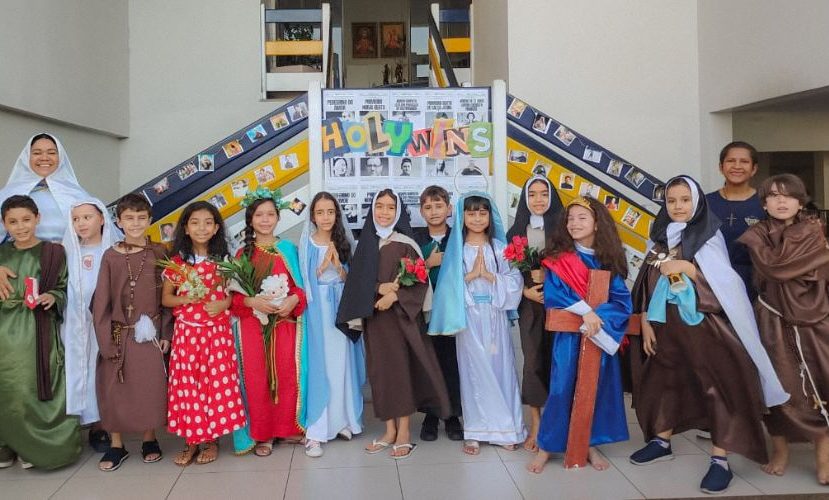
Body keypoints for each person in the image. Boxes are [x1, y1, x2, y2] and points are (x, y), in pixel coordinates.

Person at [629, 176, 788, 494]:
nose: (678, 206)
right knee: (665, 381)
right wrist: (645, 320)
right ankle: (661, 440)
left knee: (718, 387)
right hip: (665, 325)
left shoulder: (708, 235)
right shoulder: (660, 237)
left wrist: (689, 269)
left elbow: (725, 284)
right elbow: (646, 282)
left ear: (697, 202)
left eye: (684, 200)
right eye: (671, 201)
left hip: (704, 325)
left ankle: (720, 459)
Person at [337, 188, 450, 459]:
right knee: (381, 374)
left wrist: (395, 295)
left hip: (403, 321)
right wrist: (380, 288)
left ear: (398, 212)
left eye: (390, 207)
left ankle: (404, 433)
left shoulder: (406, 244)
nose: (384, 212)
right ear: (372, 210)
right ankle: (389, 431)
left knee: (401, 373)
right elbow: (357, 284)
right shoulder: (365, 245)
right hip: (375, 321)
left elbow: (419, 280)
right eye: (380, 206)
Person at [527, 197, 631, 473]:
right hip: (569, 337)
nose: (574, 223)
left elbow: (621, 301)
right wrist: (586, 311)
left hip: (598, 336)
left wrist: (597, 316)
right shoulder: (559, 259)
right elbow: (555, 293)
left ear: (597, 223)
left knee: (594, 390)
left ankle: (589, 444)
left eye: (582, 218)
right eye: (570, 219)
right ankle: (547, 446)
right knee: (562, 387)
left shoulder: (608, 259)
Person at [738, 174, 829, 484]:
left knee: (821, 383)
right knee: (776, 385)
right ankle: (780, 450)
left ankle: (823, 456)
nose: (781, 201)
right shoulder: (757, 234)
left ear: (800, 202)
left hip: (816, 318)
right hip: (772, 319)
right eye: (774, 195)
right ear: (764, 203)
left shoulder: (815, 230)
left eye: (788, 195)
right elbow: (775, 269)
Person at [429, 192, 526, 455]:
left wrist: (492, 277)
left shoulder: (499, 248)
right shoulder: (457, 251)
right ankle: (475, 431)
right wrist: (471, 276)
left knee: (501, 368)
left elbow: (515, 281)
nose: (477, 218)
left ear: (490, 217)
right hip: (469, 317)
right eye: (471, 213)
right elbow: (448, 288)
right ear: (462, 217)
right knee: (473, 370)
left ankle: (506, 428)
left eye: (482, 213)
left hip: (495, 315)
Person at [0, 195, 81, 470]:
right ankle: (7, 444)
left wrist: (52, 296)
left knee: (32, 387)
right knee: (7, 390)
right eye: (13, 222)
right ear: (4, 224)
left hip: (37, 330)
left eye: (26, 219)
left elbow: (63, 286)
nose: (20, 227)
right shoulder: (1, 253)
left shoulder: (53, 252)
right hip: (3, 331)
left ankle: (36, 447)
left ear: (38, 218)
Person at [162, 201, 245, 466]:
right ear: (185, 228)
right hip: (187, 334)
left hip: (217, 335)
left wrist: (223, 304)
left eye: (208, 222)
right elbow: (166, 299)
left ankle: (211, 440)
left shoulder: (224, 262)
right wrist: (186, 299)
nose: (202, 228)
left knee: (214, 385)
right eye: (195, 222)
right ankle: (191, 440)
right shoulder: (178, 263)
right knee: (189, 386)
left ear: (216, 228)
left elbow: (234, 296)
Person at [92, 193, 172, 471]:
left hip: (149, 334)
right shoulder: (110, 256)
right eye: (129, 218)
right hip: (119, 333)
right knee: (114, 388)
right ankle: (117, 445)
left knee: (149, 387)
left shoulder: (160, 252)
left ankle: (150, 439)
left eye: (141, 218)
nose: (135, 223)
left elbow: (168, 297)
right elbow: (101, 302)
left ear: (150, 220)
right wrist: (105, 340)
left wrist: (165, 333)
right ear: (118, 222)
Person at [230, 189, 307, 457]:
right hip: (253, 327)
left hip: (284, 324)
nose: (265, 220)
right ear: (250, 220)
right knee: (257, 379)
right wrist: (252, 301)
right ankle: (263, 434)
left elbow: (301, 288)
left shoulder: (289, 250)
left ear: (278, 217)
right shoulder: (242, 254)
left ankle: (286, 428)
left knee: (286, 375)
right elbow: (234, 299)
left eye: (270, 214)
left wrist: (293, 300)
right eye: (259, 215)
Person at [0, 134, 111, 303]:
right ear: (27, 157)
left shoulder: (77, 195)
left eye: (51, 152)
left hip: (67, 272)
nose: (44, 158)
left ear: (61, 157)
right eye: (37, 153)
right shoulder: (7, 194)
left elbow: (101, 233)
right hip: (19, 270)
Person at [299, 192, 365, 458]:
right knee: (321, 365)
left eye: (330, 212)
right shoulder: (307, 245)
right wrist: (321, 267)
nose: (325, 217)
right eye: (320, 212)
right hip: (318, 310)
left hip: (341, 309)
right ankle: (317, 428)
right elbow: (304, 281)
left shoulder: (344, 242)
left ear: (337, 215)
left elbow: (352, 281)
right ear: (313, 216)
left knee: (342, 364)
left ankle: (343, 420)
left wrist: (337, 267)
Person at [506, 175, 563, 451]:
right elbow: (507, 273)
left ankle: (557, 421)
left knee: (558, 361)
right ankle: (537, 423)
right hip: (530, 304)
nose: (538, 200)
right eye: (532, 194)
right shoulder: (515, 232)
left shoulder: (564, 230)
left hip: (560, 304)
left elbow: (576, 267)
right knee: (533, 362)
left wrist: (550, 278)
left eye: (543, 194)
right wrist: (524, 292)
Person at [61, 199, 119, 453]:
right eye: (76, 219)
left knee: (101, 370)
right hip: (75, 324)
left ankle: (101, 425)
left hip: (105, 323)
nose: (81, 223)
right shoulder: (67, 253)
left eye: (87, 217)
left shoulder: (114, 251)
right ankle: (81, 421)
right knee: (78, 369)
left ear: (102, 219)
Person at [414, 186, 463, 442]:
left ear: (449, 209)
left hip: (452, 311)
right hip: (425, 311)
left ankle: (452, 416)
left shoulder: (458, 237)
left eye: (439, 206)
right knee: (428, 363)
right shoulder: (414, 239)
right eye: (428, 207)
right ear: (421, 211)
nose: (434, 212)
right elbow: (404, 273)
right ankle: (431, 416)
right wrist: (427, 263)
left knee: (451, 362)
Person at [705, 141, 764, 300]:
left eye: (744, 161)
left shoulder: (766, 204)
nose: (737, 166)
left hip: (754, 285)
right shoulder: (705, 203)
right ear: (721, 167)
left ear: (754, 169)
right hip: (712, 284)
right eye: (731, 161)